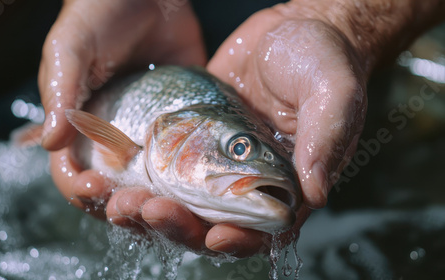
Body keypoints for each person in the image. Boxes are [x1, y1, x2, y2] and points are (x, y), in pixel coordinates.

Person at [38, 0, 445, 257]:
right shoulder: (131, 144)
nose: (245, 158)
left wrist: (340, 24)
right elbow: (79, 122)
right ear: (174, 134)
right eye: (238, 149)